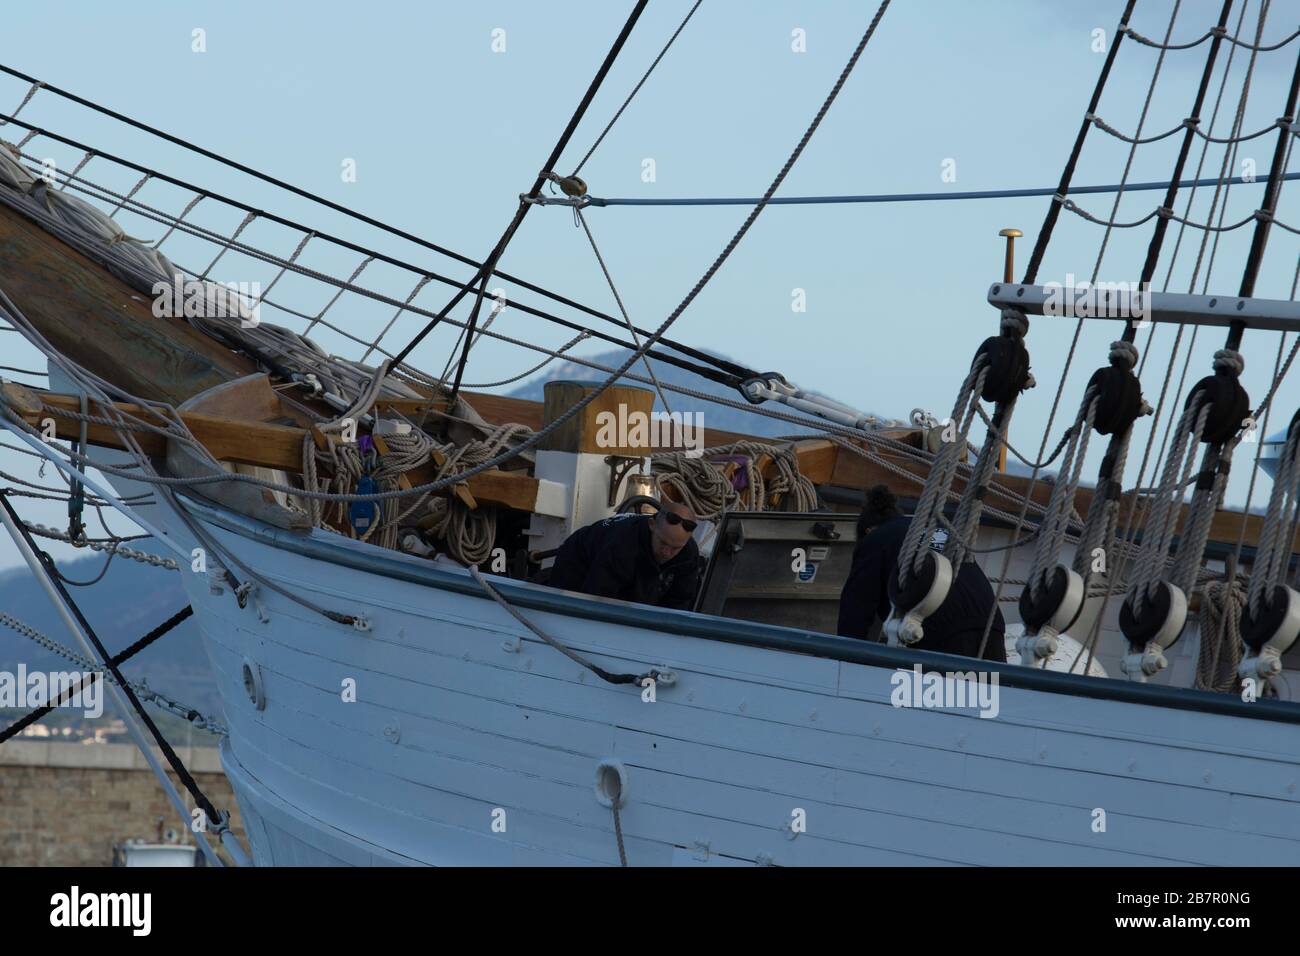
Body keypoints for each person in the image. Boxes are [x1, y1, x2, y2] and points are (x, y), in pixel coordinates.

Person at [837, 484, 1006, 661]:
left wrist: (844, 661)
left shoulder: (875, 540)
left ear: (868, 530)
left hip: (942, 633)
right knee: (988, 689)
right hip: (992, 626)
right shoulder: (939, 531)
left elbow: (854, 617)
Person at [546, 495, 701, 610]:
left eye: (675, 548)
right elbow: (598, 597)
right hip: (577, 560)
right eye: (663, 543)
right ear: (652, 525)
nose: (667, 552)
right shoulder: (622, 545)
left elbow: (681, 600)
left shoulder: (688, 553)